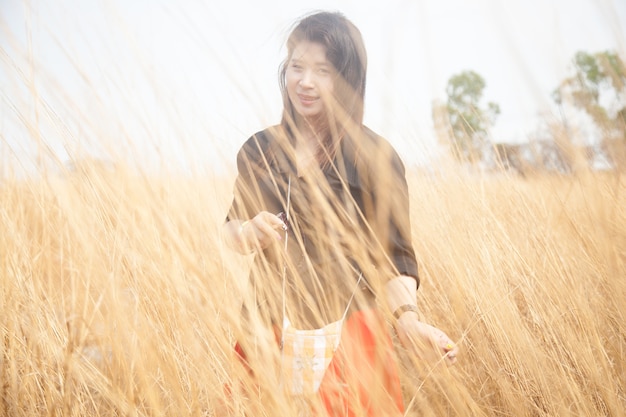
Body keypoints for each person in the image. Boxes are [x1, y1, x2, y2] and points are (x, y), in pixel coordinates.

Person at [222, 11, 458, 417]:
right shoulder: (259, 150)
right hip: (266, 329)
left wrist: (408, 320)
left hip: (352, 336)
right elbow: (230, 230)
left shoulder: (376, 158)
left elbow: (395, 258)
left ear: (347, 80)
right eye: (297, 67)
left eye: (323, 71)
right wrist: (249, 231)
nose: (305, 82)